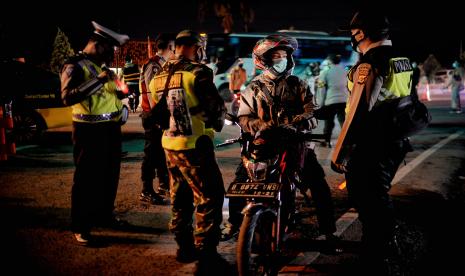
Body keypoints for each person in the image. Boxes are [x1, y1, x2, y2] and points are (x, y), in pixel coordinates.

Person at [234, 34, 341, 251]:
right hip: (262, 145)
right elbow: (243, 117)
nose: (281, 60)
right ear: (263, 60)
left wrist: (298, 122)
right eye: (276, 56)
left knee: (318, 185)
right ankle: (234, 226)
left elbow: (311, 110)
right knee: (238, 182)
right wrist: (259, 125)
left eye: (284, 56)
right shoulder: (252, 88)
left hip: (295, 144)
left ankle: (329, 232)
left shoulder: (298, 84)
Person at [338, 10, 415, 273]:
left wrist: (341, 153)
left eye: (353, 32)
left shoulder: (369, 63)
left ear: (361, 33)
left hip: (372, 144)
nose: (352, 37)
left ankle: (377, 255)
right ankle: (382, 245)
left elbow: (359, 112)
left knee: (368, 199)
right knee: (376, 196)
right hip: (395, 140)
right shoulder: (402, 59)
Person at [149, 30, 228, 275]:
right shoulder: (198, 72)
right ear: (195, 46)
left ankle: (183, 247)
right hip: (195, 146)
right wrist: (217, 121)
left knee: (180, 198)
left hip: (169, 145)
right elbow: (214, 110)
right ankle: (206, 254)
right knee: (210, 197)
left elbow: (157, 111)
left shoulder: (157, 76)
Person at [60, 21, 129, 245]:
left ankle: (104, 216)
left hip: (110, 129)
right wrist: (98, 81)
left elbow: (111, 96)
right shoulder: (75, 65)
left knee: (109, 177)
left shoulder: (101, 68)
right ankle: (81, 226)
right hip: (87, 131)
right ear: (99, 45)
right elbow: (67, 97)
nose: (112, 55)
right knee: (86, 180)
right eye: (110, 50)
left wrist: (121, 98)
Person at [138, 34, 175, 204]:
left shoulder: (162, 64)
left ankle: (163, 185)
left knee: (160, 153)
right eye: (174, 46)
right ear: (169, 46)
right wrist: (158, 116)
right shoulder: (154, 64)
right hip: (153, 115)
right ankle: (146, 189)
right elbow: (154, 94)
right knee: (151, 154)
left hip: (159, 115)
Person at [315, 54, 348, 147]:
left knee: (329, 121)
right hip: (344, 100)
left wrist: (320, 104)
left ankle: (327, 141)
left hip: (331, 101)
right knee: (343, 122)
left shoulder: (325, 72)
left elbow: (321, 89)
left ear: (329, 61)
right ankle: (345, 142)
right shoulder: (345, 71)